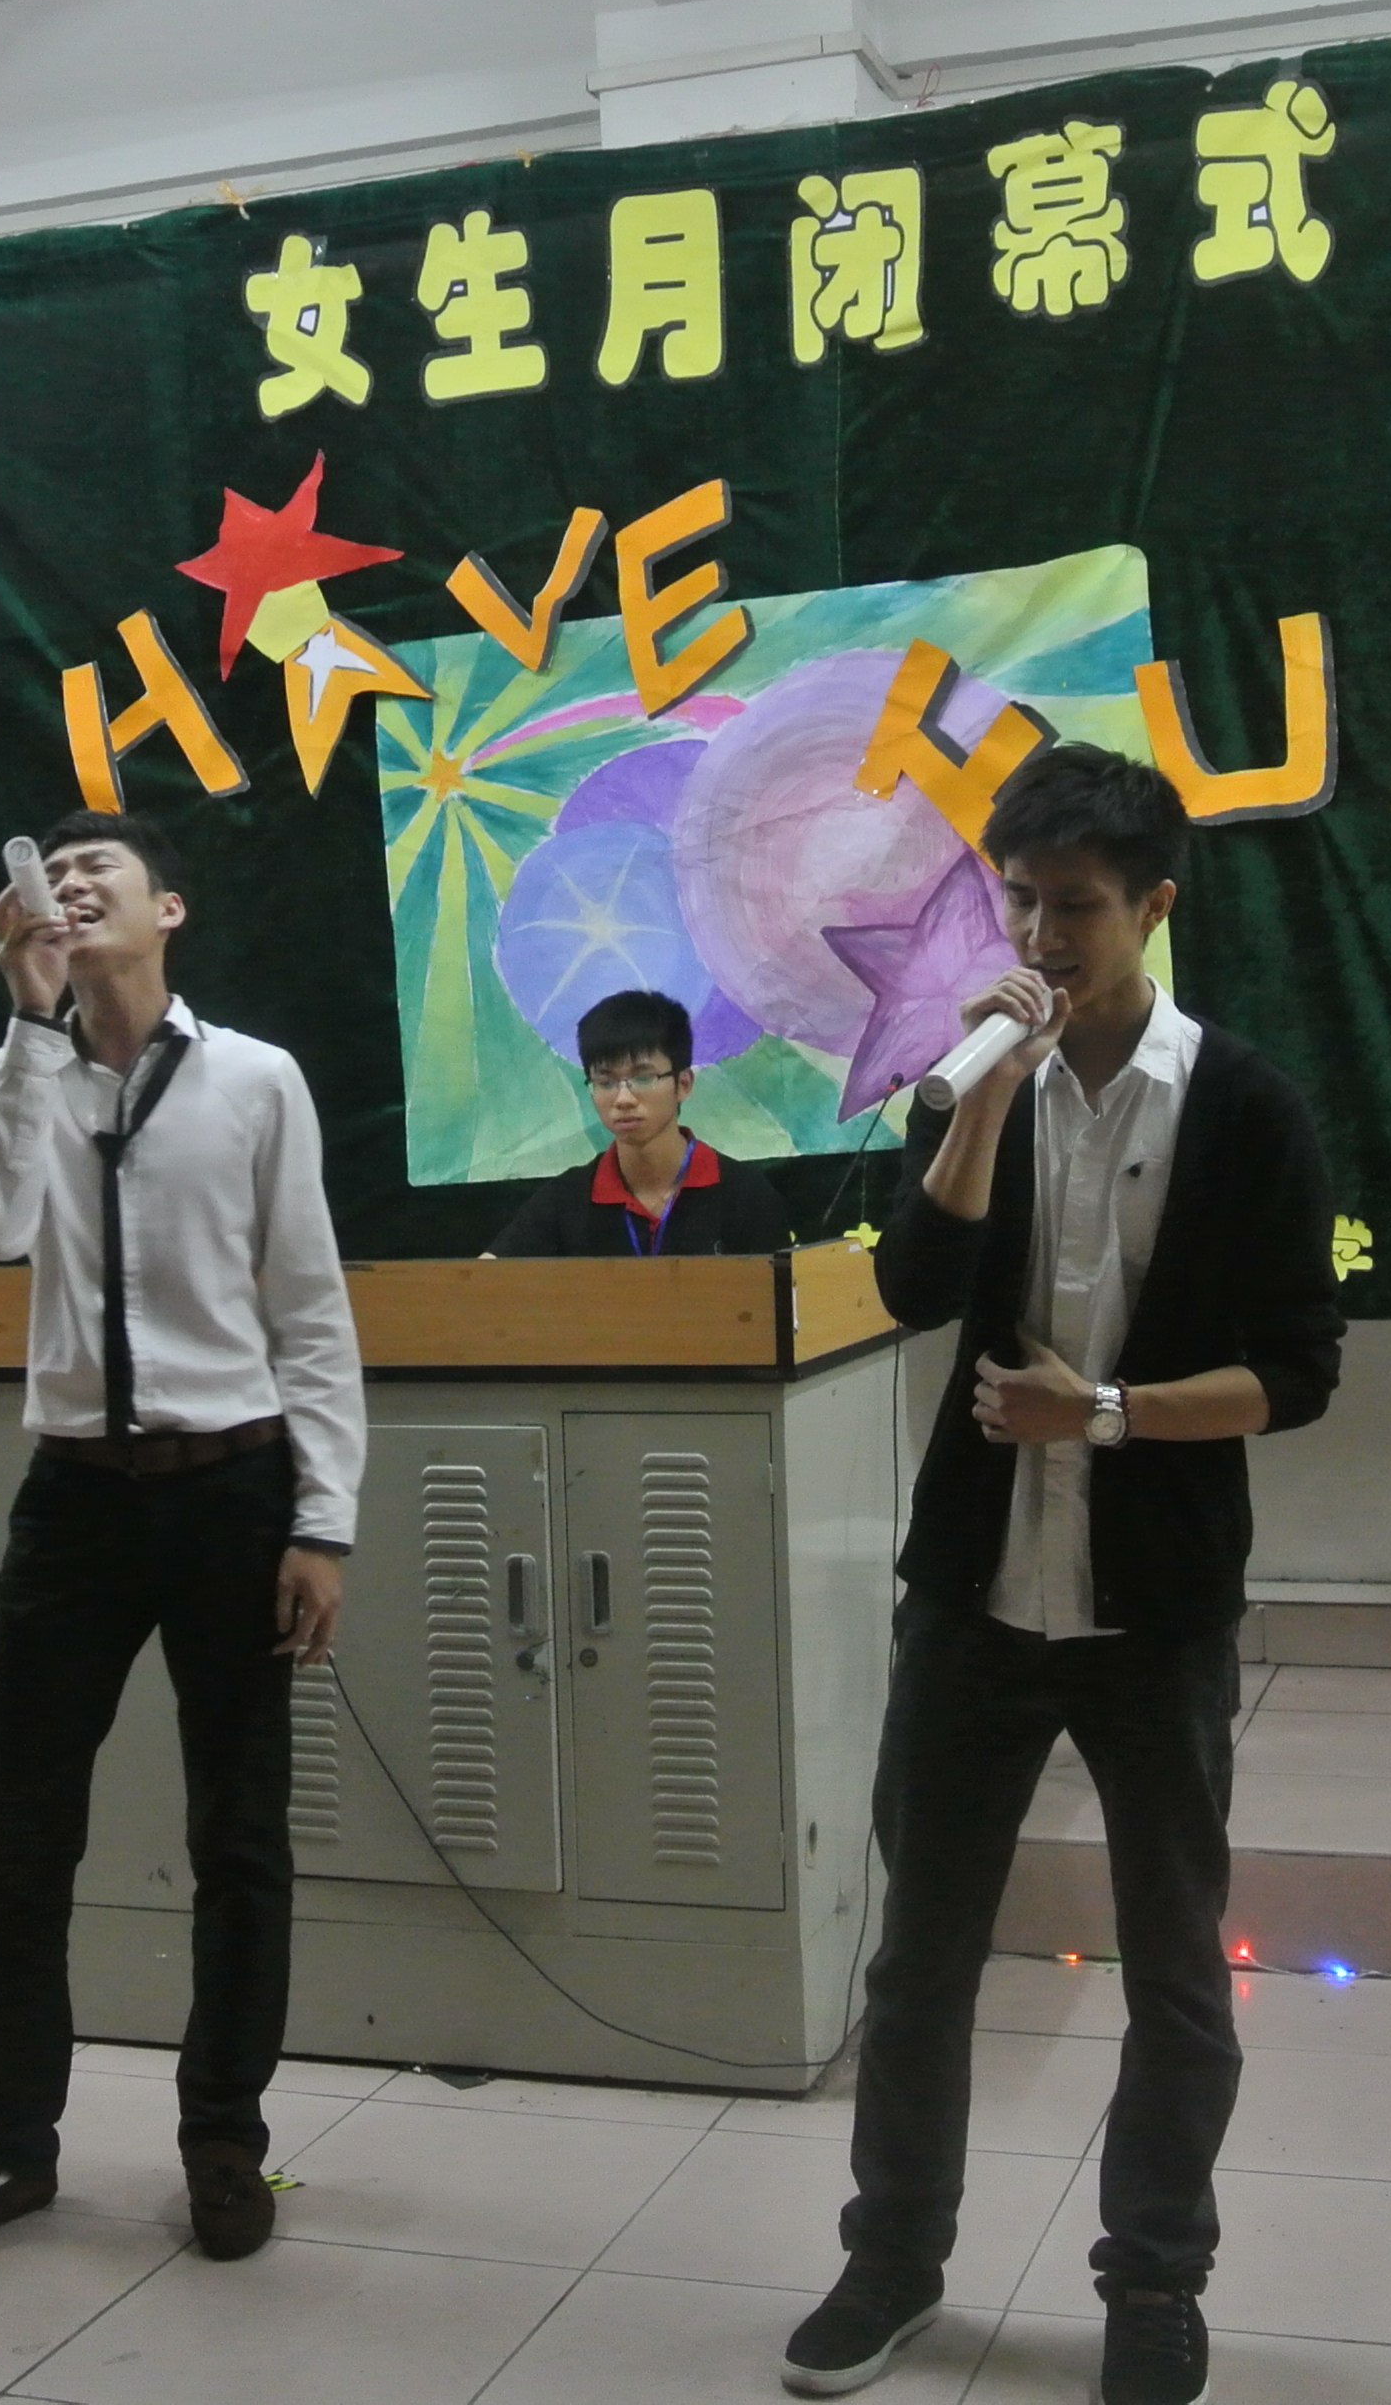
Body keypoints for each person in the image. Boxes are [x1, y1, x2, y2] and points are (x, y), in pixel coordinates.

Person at [782, 745, 1344, 2405]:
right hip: (973, 1593)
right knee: (918, 1958)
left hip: (1153, 1607)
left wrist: (1095, 1412)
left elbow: (1296, 1374)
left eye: (1075, 906)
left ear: (1152, 905)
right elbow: (913, 1285)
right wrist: (978, 1096)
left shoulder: (1243, 1105)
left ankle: (1154, 2281)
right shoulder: (976, 1079)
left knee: (1173, 1966)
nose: (1040, 936)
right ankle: (893, 2261)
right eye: (1018, 899)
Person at [0, 809, 367, 2273]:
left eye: (106, 869)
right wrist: (29, 1025)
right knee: (14, 1843)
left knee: (240, 1839)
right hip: (75, 1500)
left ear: (172, 910)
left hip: (233, 1490)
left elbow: (309, 1308)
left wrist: (323, 1523)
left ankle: (223, 2142)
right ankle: (6, 2151)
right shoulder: (14, 1071)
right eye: (60, 868)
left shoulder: (255, 1080)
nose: (76, 882)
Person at [485, 987, 791, 1257]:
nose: (623, 1099)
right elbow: (484, 1279)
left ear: (683, 1084)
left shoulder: (745, 1196)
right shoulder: (566, 1200)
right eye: (605, 1082)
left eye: (643, 1078)